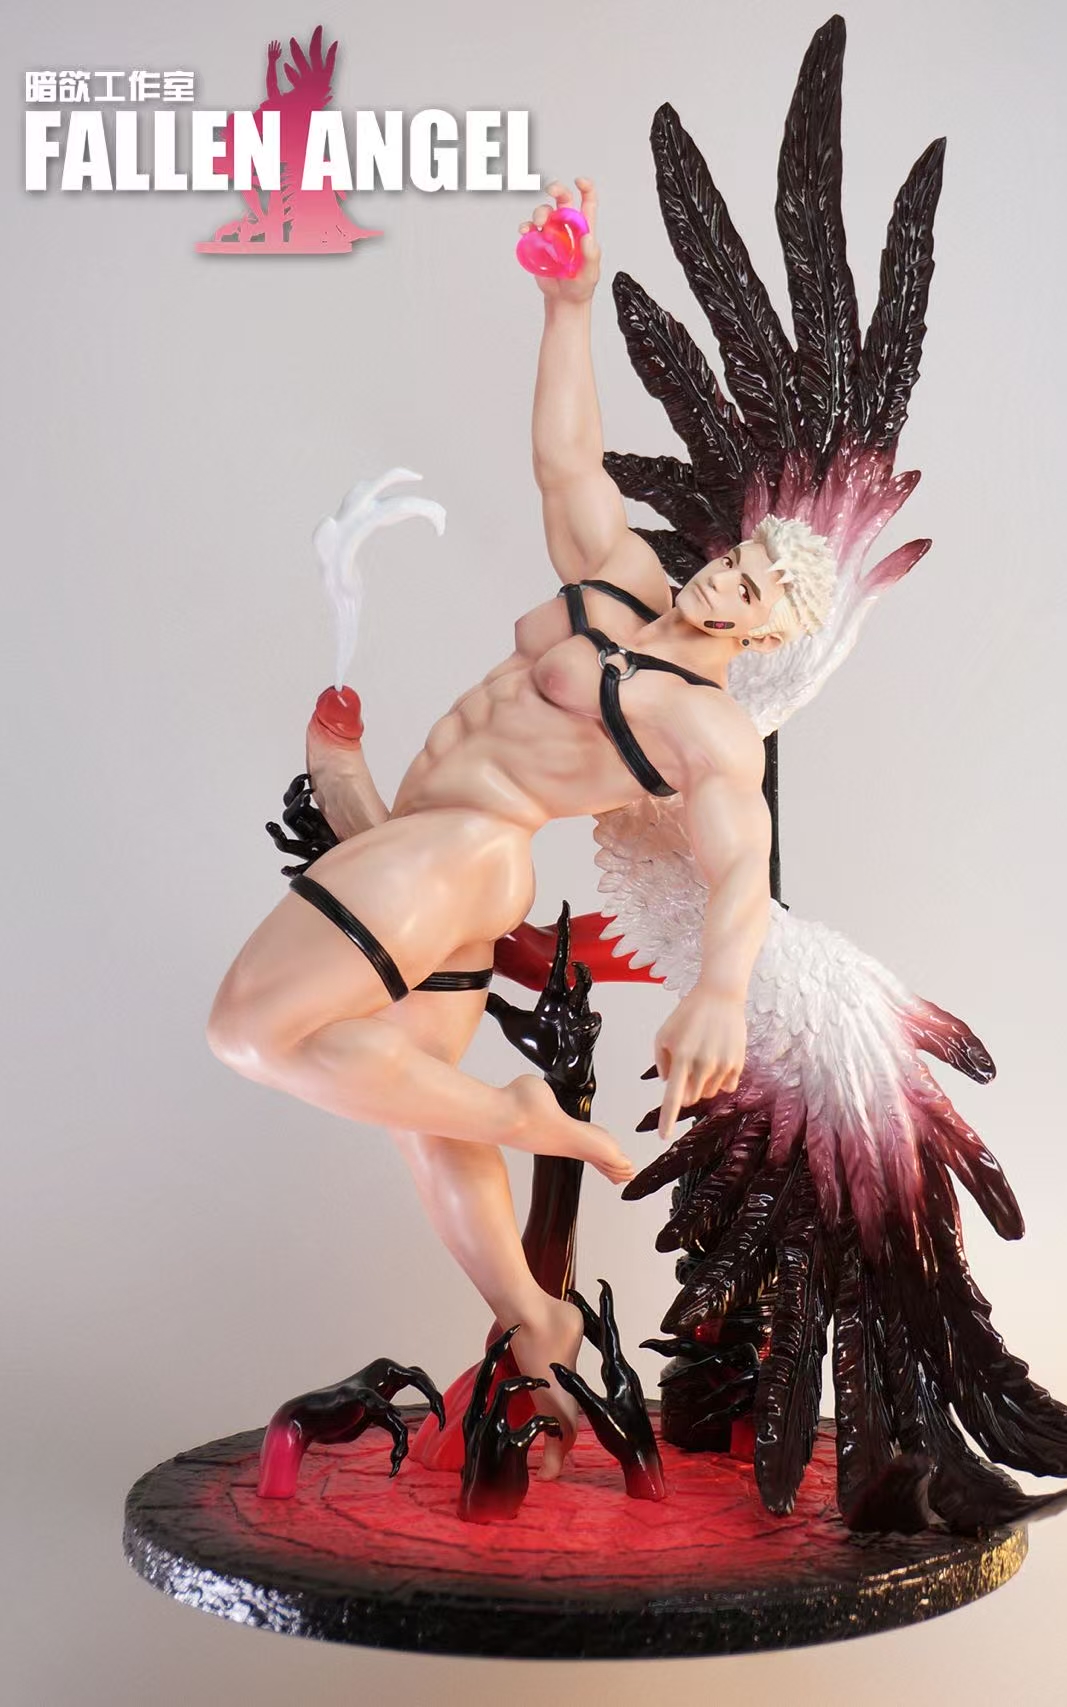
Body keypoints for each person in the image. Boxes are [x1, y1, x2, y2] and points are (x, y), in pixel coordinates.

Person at [207, 178, 836, 1474]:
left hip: (462, 857)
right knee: (423, 1120)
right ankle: (540, 1336)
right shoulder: (627, 583)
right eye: (743, 559)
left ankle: (527, 1113)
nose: (732, 581)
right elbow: (566, 465)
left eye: (760, 593)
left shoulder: (709, 728)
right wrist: (566, 308)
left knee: (251, 1031)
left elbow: (740, 861)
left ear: (772, 634)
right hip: (422, 852)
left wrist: (722, 988)